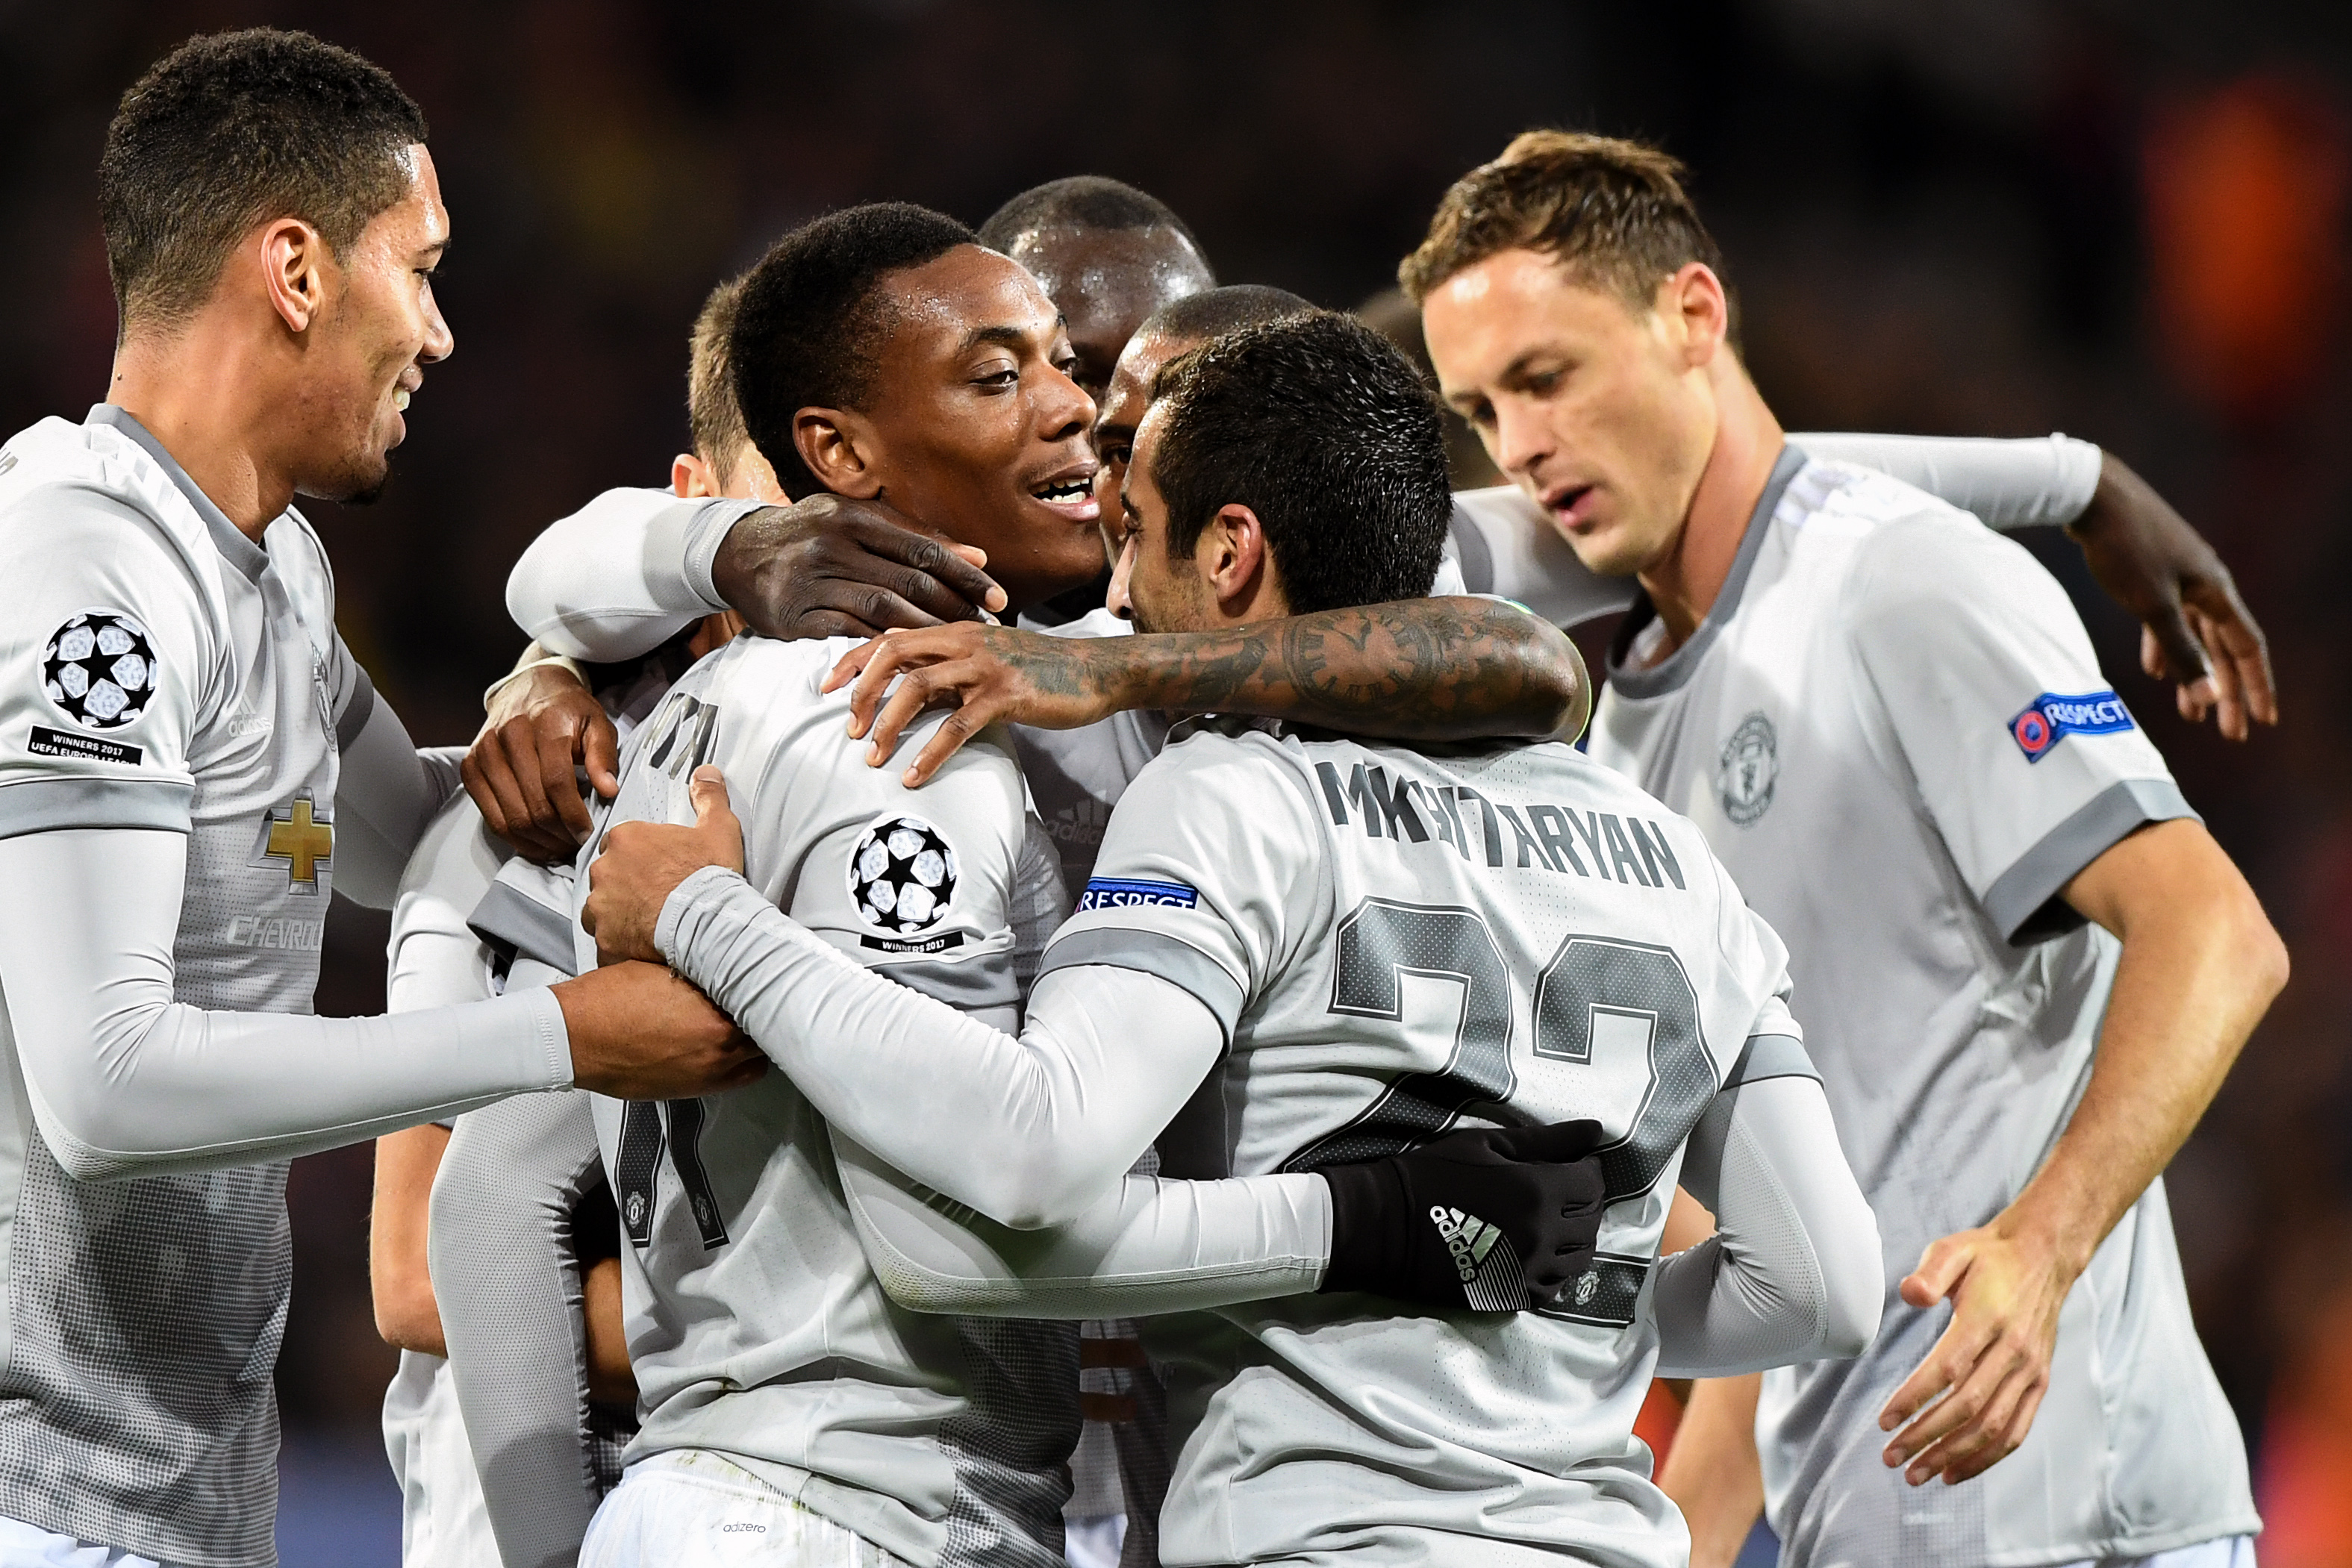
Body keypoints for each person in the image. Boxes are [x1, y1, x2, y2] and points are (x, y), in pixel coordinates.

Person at [579, 309, 1885, 1568]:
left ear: (1232, 550)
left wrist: (706, 917)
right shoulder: (1674, 853)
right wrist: (1564, 1306)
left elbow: (1031, 1153)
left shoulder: (1232, 793)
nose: (1116, 588)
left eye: (1136, 533)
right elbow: (1822, 1285)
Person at [1406, 129, 2288, 1568]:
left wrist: (2039, 1248)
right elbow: (1773, 1243)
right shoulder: (1628, 731)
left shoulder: (1904, 585)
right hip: (1867, 1524)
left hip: (2085, 1520)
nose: (1520, 446)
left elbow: (2218, 933)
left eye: (1548, 378)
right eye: (1484, 408)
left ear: (1695, 315)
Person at [0, 30, 755, 1568]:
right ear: (294, 270)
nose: (443, 333)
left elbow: (416, 841)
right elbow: (104, 1080)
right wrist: (564, 1032)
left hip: (174, 1481)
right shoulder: (89, 574)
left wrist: (542, 705)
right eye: (420, 271)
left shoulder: (269, 562)